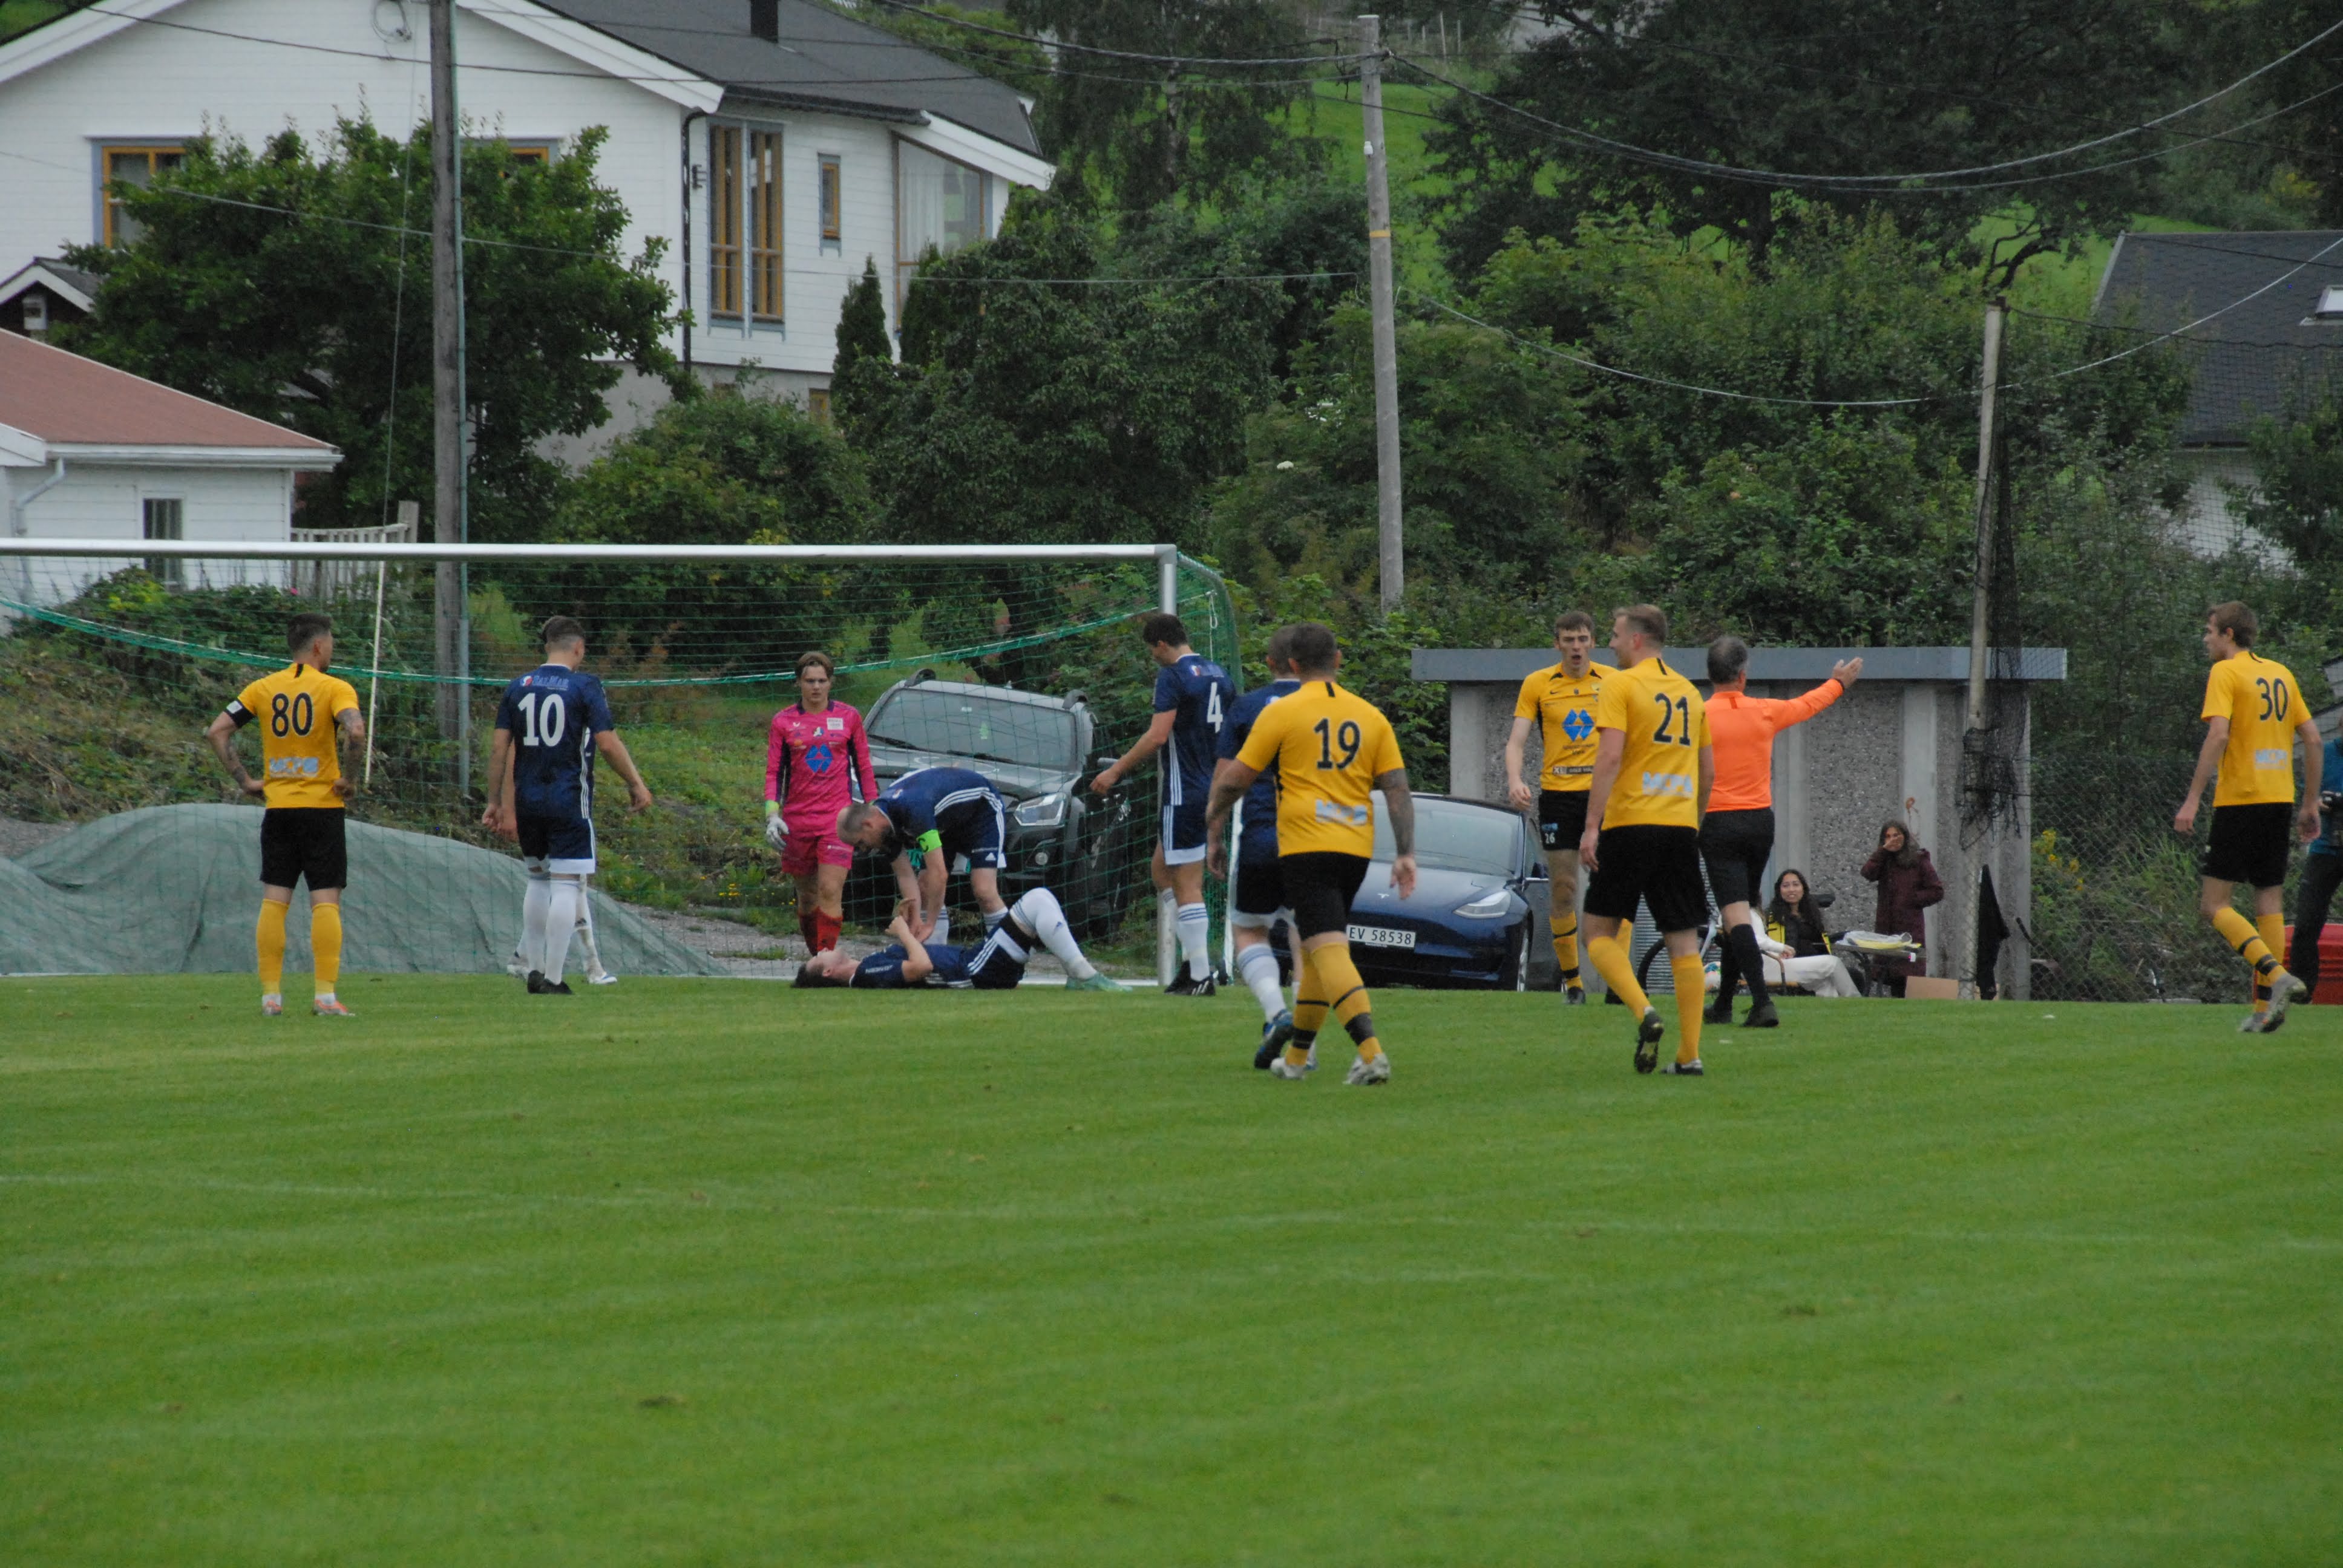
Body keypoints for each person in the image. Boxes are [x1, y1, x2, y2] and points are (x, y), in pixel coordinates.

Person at [1207, 622, 1417, 1086]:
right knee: (1318, 949)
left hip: (1307, 844)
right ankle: (1297, 1059)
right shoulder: (1370, 715)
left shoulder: (1282, 711)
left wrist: (1213, 823)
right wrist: (1406, 852)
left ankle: (1371, 1052)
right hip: (1355, 848)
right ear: (1338, 660)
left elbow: (1235, 779)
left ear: (1293, 665)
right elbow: (1397, 790)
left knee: (1329, 949)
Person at [204, 612, 367, 1018]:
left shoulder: (262, 688)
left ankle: (271, 997)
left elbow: (217, 731)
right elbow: (355, 731)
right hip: (321, 809)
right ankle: (325, 996)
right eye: (331, 643)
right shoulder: (334, 688)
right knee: (325, 899)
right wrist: (348, 779)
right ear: (318, 646)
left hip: (278, 810)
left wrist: (246, 780)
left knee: (275, 900)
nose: (332, 650)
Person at [482, 616, 655, 995]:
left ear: (547, 646)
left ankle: (533, 968)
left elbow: (499, 748)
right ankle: (554, 978)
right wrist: (636, 783)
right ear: (579, 648)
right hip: (567, 798)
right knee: (566, 884)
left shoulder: (518, 686)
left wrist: (495, 801)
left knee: (537, 880)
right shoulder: (585, 686)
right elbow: (607, 743)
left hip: (527, 799)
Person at [1577, 604, 1715, 1076]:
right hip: (1679, 827)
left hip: (1631, 823)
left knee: (1597, 934)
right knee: (1684, 944)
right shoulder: (1690, 693)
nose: (1610, 643)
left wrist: (1591, 825)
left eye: (1615, 635)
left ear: (1636, 640)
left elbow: (1609, 757)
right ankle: (1689, 1054)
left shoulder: (1620, 685)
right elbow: (1708, 771)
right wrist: (1692, 823)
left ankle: (1644, 1011)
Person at [1700, 636, 1861, 1029]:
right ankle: (1724, 1003)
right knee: (1741, 912)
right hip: (1759, 821)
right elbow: (1807, 705)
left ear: (1709, 675)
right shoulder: (1764, 711)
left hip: (1718, 821)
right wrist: (1838, 684)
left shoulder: (1699, 716)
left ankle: (1761, 1002)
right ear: (1743, 675)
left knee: (1735, 915)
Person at [2174, 600, 2320, 1031]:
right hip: (2279, 798)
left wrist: (2192, 799)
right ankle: (2265, 1010)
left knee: (2213, 905)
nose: (2206, 638)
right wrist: (2309, 804)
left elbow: (2218, 734)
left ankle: (2278, 976)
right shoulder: (2281, 673)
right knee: (2268, 901)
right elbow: (2313, 739)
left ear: (2229, 635)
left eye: (2210, 631)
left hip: (2240, 799)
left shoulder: (2226, 672)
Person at [1092, 612, 1236, 995]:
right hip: (1214, 786)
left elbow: (1158, 737)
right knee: (1161, 870)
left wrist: (1115, 771)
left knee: (1187, 882)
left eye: (1151, 650)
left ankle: (1201, 975)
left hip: (1184, 790)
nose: (1153, 657)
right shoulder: (1219, 674)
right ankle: (1193, 963)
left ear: (1160, 644)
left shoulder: (1172, 676)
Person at [1207, 627, 1305, 1065]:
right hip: (1316, 837)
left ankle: (1276, 1012)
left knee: (1248, 930)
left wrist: (1214, 836)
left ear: (1270, 663)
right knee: (1308, 937)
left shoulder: (1248, 707)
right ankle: (1306, 1045)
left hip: (1262, 835)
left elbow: (1226, 779)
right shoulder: (1332, 707)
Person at [1501, 610, 1608, 1004]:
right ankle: (1574, 985)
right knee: (1564, 887)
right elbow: (1516, 741)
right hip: (1559, 796)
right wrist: (1515, 780)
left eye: (1582, 639)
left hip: (1604, 795)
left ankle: (1617, 984)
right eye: (1568, 640)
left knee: (1612, 886)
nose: (1576, 647)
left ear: (1593, 642)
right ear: (1557, 644)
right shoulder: (1538, 683)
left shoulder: (1613, 682)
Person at [764, 650, 877, 958]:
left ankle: (827, 964)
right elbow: (774, 773)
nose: (816, 687)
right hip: (797, 821)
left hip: (837, 820)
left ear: (831, 683)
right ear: (798, 683)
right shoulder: (783, 721)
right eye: (810, 681)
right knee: (808, 897)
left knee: (830, 890)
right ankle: (818, 959)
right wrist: (772, 815)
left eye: (822, 681)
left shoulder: (849, 718)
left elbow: (864, 767)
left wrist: (873, 809)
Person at [793, 888, 1123, 991]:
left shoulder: (867, 966)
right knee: (1037, 900)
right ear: (828, 972)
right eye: (819, 957)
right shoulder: (865, 975)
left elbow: (919, 957)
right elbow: (921, 967)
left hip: (976, 962)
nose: (823, 950)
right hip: (975, 969)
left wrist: (907, 929)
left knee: (1040, 900)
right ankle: (1083, 976)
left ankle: (1079, 974)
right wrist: (903, 933)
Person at [837, 765, 1009, 941]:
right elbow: (905, 875)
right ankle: (933, 954)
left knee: (984, 890)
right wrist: (916, 918)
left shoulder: (913, 810)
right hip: (945, 821)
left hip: (981, 812)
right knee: (925, 886)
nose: (863, 849)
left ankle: (1010, 950)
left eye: (860, 843)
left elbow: (939, 874)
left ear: (868, 824)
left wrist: (930, 924)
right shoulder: (884, 826)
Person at [2286, 735, 2343, 998]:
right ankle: (2302, 988)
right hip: (2325, 849)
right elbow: (2307, 793)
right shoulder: (2323, 754)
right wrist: (2317, 802)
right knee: (2307, 921)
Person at [1860, 820, 1944, 997]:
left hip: (1910, 927)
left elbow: (1936, 891)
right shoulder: (1884, 860)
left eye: (1896, 835)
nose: (1893, 840)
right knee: (1889, 974)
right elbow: (1868, 872)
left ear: (1905, 837)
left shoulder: (1919, 860)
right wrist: (1883, 851)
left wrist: (1912, 899)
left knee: (1907, 972)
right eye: (1888, 836)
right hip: (1886, 927)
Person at [1753, 869, 1862, 998]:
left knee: (1827, 983)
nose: (1791, 890)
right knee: (1833, 963)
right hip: (1786, 963)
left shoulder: (1811, 914)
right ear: (1779, 891)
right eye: (1786, 886)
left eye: (1796, 885)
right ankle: (1856, 1001)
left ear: (1803, 889)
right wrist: (1781, 949)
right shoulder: (1771, 917)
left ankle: (1833, 1010)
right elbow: (1760, 942)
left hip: (1810, 963)